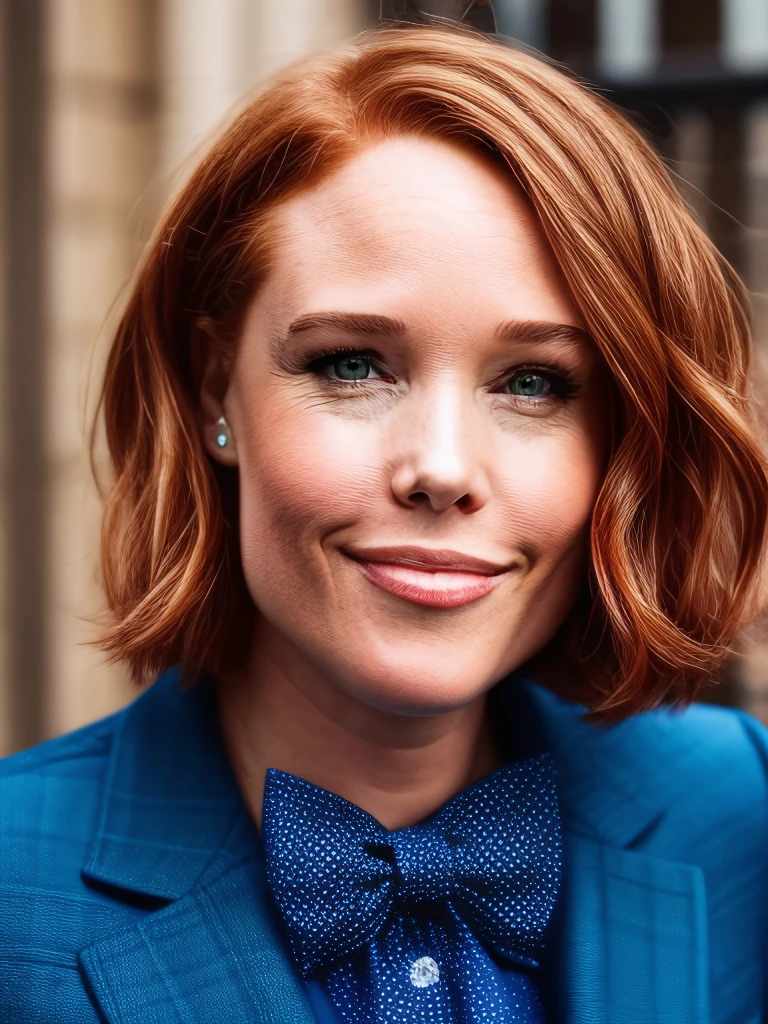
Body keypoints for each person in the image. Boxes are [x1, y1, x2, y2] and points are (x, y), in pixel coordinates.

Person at [1, 23, 768, 1024]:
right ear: (210, 392)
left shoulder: (737, 809)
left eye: (534, 382)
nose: (442, 468)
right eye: (351, 364)